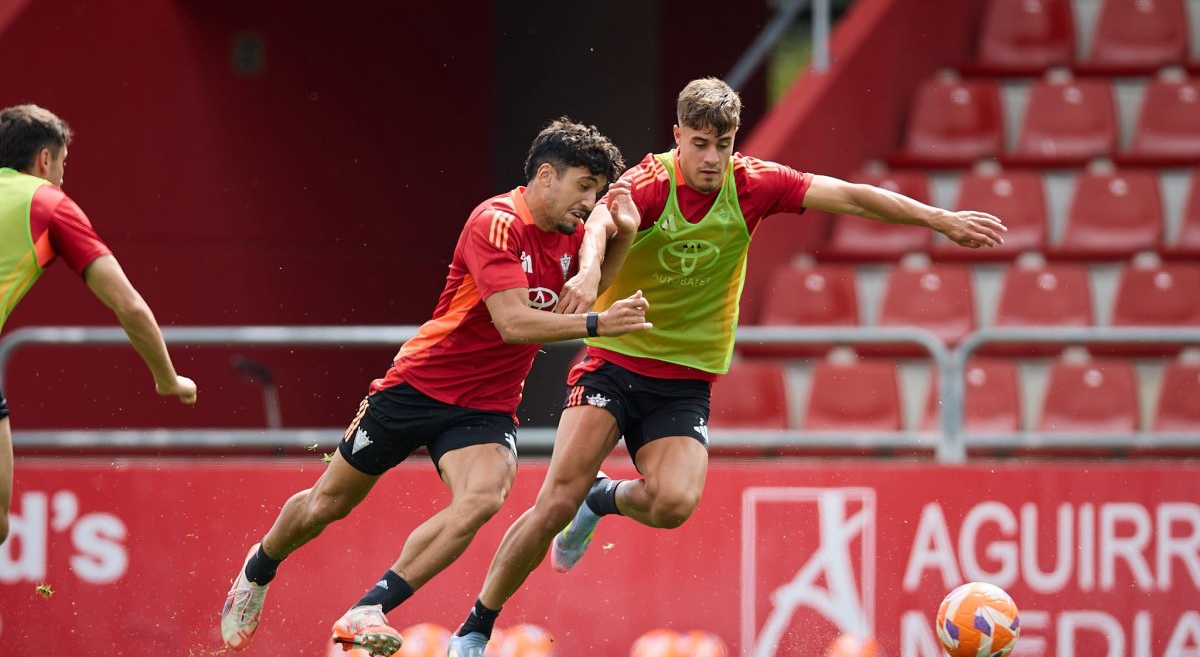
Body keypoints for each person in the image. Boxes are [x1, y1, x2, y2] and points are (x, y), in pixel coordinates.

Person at [447, 77, 1008, 655]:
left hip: (686, 379)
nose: (712, 157)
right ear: (678, 137)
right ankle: (475, 629)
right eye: (700, 143)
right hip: (615, 361)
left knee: (673, 505)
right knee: (553, 505)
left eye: (724, 143)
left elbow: (850, 196)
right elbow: (599, 224)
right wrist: (589, 274)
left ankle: (603, 499)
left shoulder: (753, 184)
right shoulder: (649, 182)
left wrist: (939, 219)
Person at [219, 117, 650, 655]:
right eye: (583, 186)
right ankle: (258, 569)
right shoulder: (495, 223)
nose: (589, 201)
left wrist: (622, 237)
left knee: (484, 498)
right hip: (418, 386)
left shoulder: (571, 235)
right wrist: (598, 325)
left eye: (596, 190)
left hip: (487, 405)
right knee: (327, 504)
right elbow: (514, 323)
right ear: (546, 175)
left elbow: (583, 297)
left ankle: (368, 609)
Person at [0, 104, 197, 545]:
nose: (62, 177)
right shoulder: (49, 203)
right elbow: (129, 305)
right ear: (45, 159)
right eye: (63, 164)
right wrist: (168, 378)